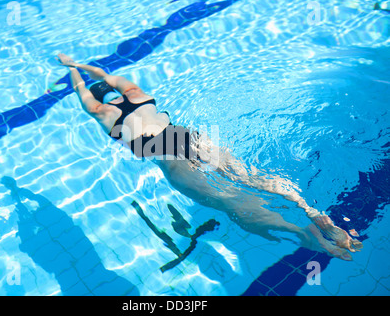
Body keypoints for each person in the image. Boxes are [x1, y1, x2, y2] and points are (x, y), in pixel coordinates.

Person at [56, 53, 363, 261]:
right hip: (188, 137)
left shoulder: (100, 112)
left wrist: (69, 68)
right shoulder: (136, 93)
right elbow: (105, 76)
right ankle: (310, 211)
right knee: (251, 178)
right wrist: (80, 63)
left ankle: (301, 232)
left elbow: (81, 88)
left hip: (168, 158)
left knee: (234, 204)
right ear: (118, 91)